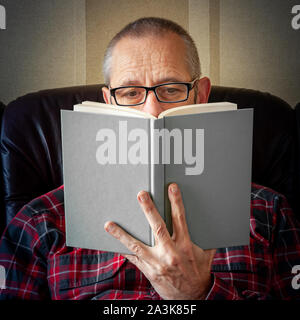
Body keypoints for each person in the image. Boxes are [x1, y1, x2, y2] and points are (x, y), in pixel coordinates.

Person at [0, 17, 300, 300]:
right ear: (108, 101)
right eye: (130, 93)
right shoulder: (39, 222)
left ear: (201, 94)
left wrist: (196, 294)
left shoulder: (267, 213)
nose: (152, 111)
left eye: (171, 89)